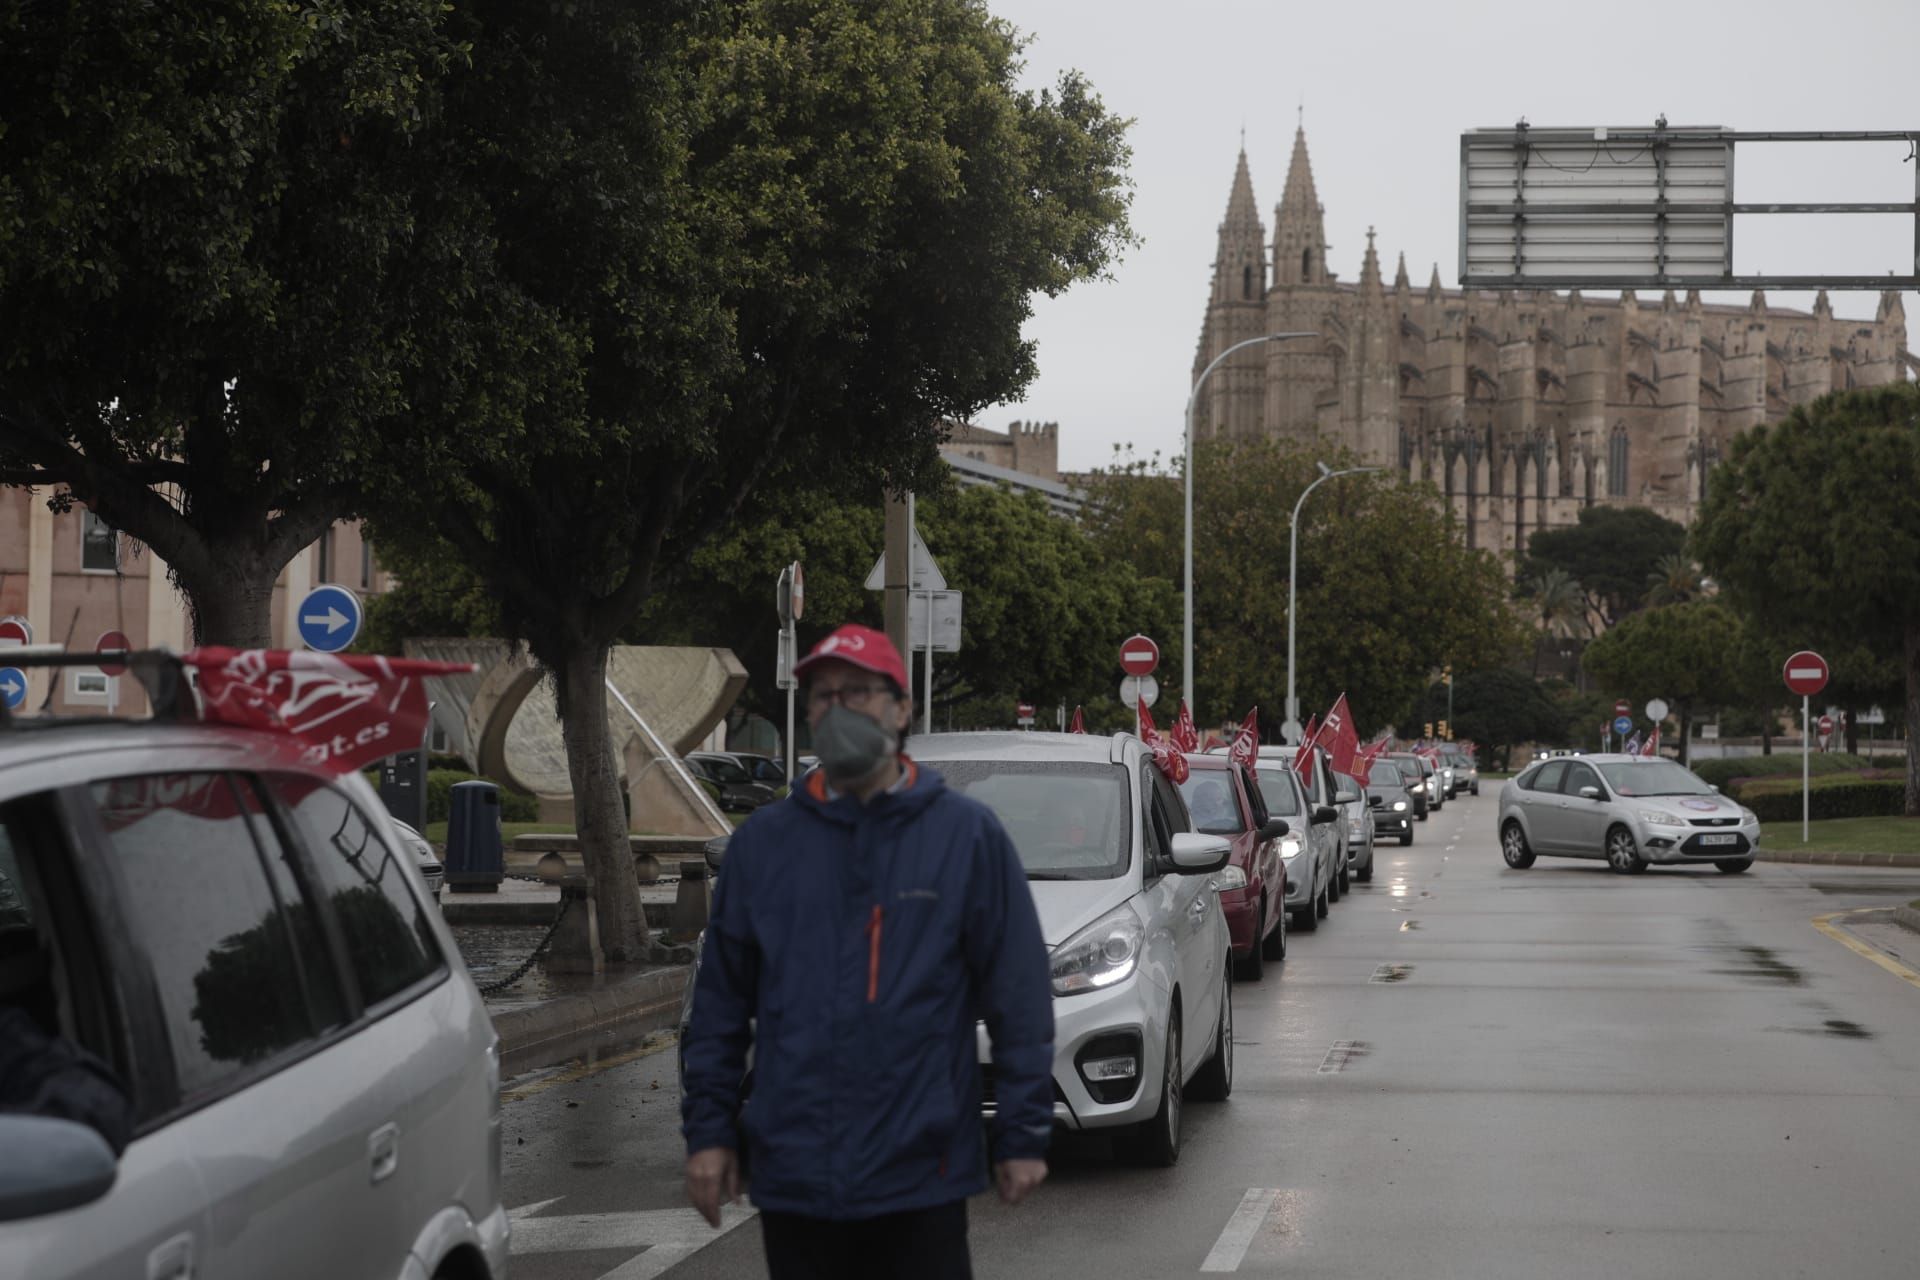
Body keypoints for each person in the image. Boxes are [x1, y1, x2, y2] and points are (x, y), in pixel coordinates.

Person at [681, 623, 1053, 1279]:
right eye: (822, 696)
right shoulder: (763, 846)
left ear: (901, 709)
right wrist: (709, 1134)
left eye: (857, 693)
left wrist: (1022, 1133)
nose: (836, 709)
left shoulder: (965, 838)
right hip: (796, 1172)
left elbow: (1016, 994)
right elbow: (717, 1007)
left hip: (922, 1172)